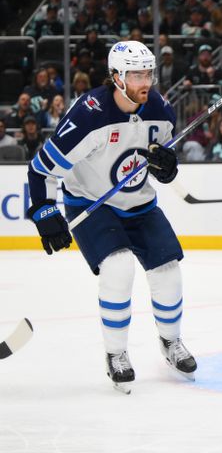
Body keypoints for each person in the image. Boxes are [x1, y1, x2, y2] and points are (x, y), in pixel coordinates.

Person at [26, 41, 197, 392]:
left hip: (140, 204)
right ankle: (116, 353)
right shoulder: (88, 115)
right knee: (118, 267)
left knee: (168, 270)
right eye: (136, 74)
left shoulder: (161, 110)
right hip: (92, 203)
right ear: (117, 77)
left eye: (148, 72)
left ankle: (170, 341)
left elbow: (158, 160)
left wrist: (166, 168)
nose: (144, 81)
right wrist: (45, 211)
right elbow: (41, 170)